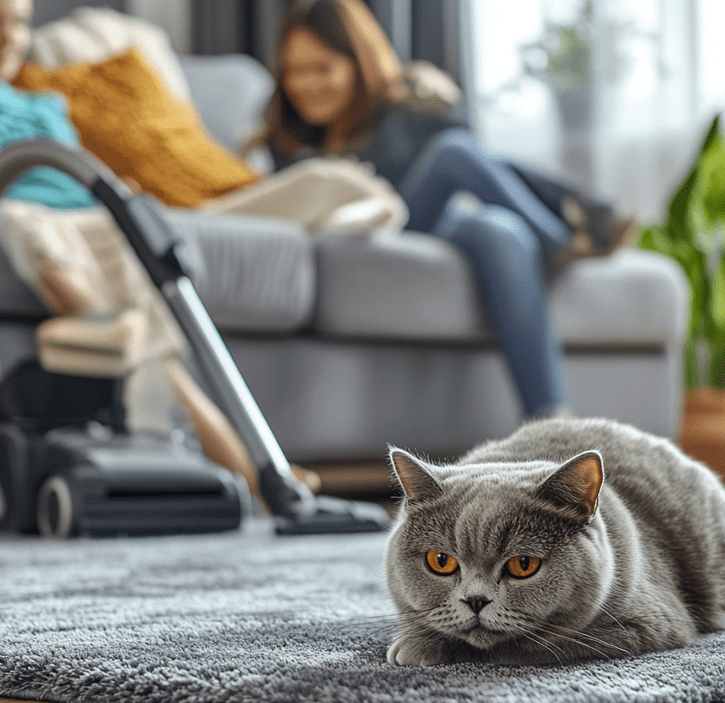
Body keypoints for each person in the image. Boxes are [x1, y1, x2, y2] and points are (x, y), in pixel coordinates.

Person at [0, 0, 335, 498]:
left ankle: (255, 470)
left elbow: (79, 171)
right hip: (13, 206)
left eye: (18, 23)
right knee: (40, 238)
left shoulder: (44, 104)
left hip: (89, 215)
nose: (8, 38)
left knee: (158, 337)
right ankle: (250, 471)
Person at [260, 0, 635, 418]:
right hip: (382, 227)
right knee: (452, 154)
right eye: (293, 70)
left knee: (499, 228)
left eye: (322, 68)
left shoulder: (399, 113)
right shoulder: (285, 143)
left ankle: (550, 422)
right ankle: (563, 233)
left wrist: (427, 95)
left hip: (436, 219)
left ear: (358, 62)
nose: (304, 84)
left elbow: (482, 159)